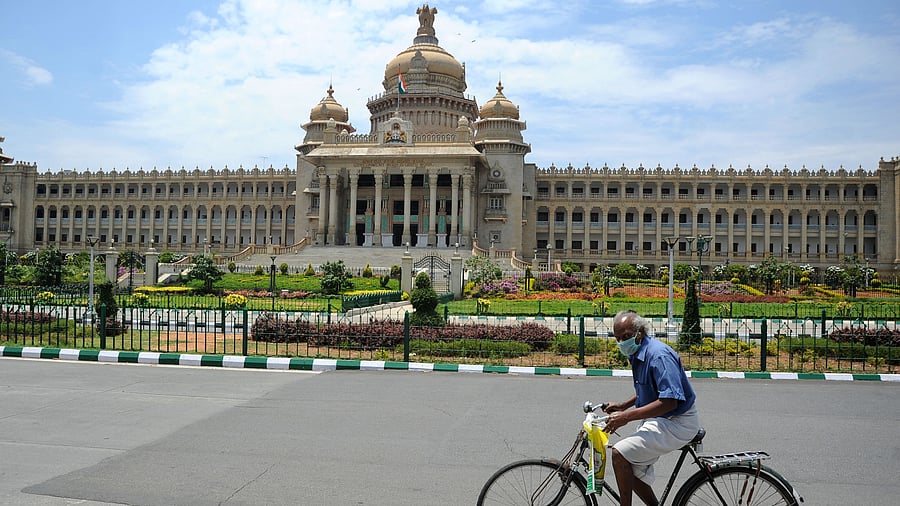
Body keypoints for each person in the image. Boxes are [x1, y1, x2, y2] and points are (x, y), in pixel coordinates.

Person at [602, 310, 700, 506]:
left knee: (619, 454)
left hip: (678, 422)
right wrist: (623, 406)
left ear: (639, 333)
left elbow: (669, 401)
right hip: (663, 419)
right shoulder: (638, 352)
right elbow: (651, 389)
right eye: (618, 338)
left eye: (626, 337)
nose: (622, 342)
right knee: (628, 464)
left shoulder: (658, 356)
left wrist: (626, 417)